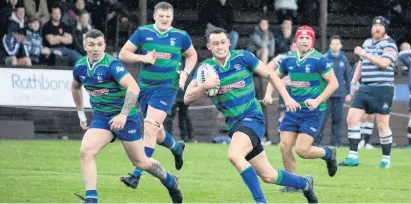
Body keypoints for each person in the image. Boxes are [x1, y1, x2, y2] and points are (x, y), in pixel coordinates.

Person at [184, 27, 318, 203]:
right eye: (215, 43)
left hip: (252, 117)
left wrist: (287, 98)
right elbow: (187, 97)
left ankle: (260, 202)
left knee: (234, 155)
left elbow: (270, 73)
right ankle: (304, 183)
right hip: (234, 126)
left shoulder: (242, 57)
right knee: (268, 175)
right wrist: (204, 86)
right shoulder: (206, 69)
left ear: (229, 42)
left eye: (223, 42)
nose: (220, 46)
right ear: (209, 46)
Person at [71, 29, 182, 203]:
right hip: (102, 119)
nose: (96, 48)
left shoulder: (112, 65)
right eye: (91, 45)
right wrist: (80, 114)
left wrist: (122, 115)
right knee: (86, 151)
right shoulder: (79, 67)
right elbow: (75, 87)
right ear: (85, 46)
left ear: (104, 46)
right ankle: (91, 199)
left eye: (100, 45)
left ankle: (170, 181)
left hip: (126, 118)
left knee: (141, 162)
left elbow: (134, 88)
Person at [118, 1, 198, 189]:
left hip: (167, 87)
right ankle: (176, 147)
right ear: (155, 16)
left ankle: (136, 175)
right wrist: (143, 58)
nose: (164, 20)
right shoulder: (143, 32)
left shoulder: (180, 36)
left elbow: (192, 55)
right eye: (161, 16)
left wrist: (185, 74)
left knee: (149, 128)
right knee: (156, 130)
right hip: (145, 87)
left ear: (172, 17)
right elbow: (123, 54)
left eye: (168, 17)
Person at [263, 26, 339, 193]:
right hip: (293, 110)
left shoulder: (319, 59)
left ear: (312, 41)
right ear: (295, 41)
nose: (304, 41)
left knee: (302, 151)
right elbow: (274, 78)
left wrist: (318, 100)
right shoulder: (288, 59)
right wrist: (268, 94)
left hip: (313, 111)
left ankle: (328, 153)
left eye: (307, 38)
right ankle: (293, 184)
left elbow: (334, 83)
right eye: (301, 38)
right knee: (284, 146)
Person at [339, 16, 398, 168]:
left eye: (380, 26)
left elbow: (384, 63)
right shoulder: (367, 43)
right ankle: (353, 157)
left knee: (382, 124)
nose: (377, 29)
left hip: (383, 88)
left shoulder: (390, 44)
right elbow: (361, 63)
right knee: (352, 118)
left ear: (385, 29)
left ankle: (386, 159)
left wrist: (364, 53)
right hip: (365, 87)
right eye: (375, 26)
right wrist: (353, 82)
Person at [314, 35, 352, 147]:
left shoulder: (344, 59)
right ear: (330, 45)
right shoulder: (324, 58)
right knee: (322, 119)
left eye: (337, 44)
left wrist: (349, 93)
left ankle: (335, 144)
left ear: (340, 45)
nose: (335, 46)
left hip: (340, 95)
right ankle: (317, 142)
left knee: (337, 120)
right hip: (326, 95)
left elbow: (348, 77)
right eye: (333, 44)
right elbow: (319, 77)